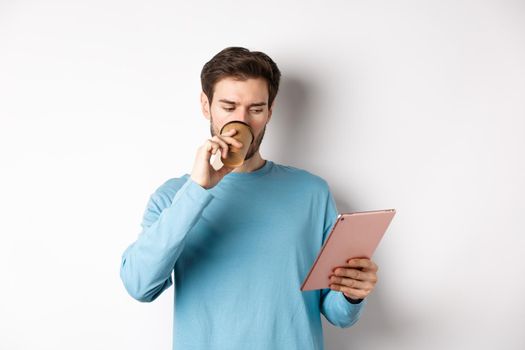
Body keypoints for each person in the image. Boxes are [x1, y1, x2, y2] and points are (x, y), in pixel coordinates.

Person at [120, 46, 379, 349]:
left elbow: (338, 314)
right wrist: (198, 189)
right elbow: (140, 285)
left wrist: (352, 292)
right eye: (228, 107)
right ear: (206, 106)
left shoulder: (312, 192)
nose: (242, 122)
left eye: (255, 109)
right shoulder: (174, 196)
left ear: (270, 111)